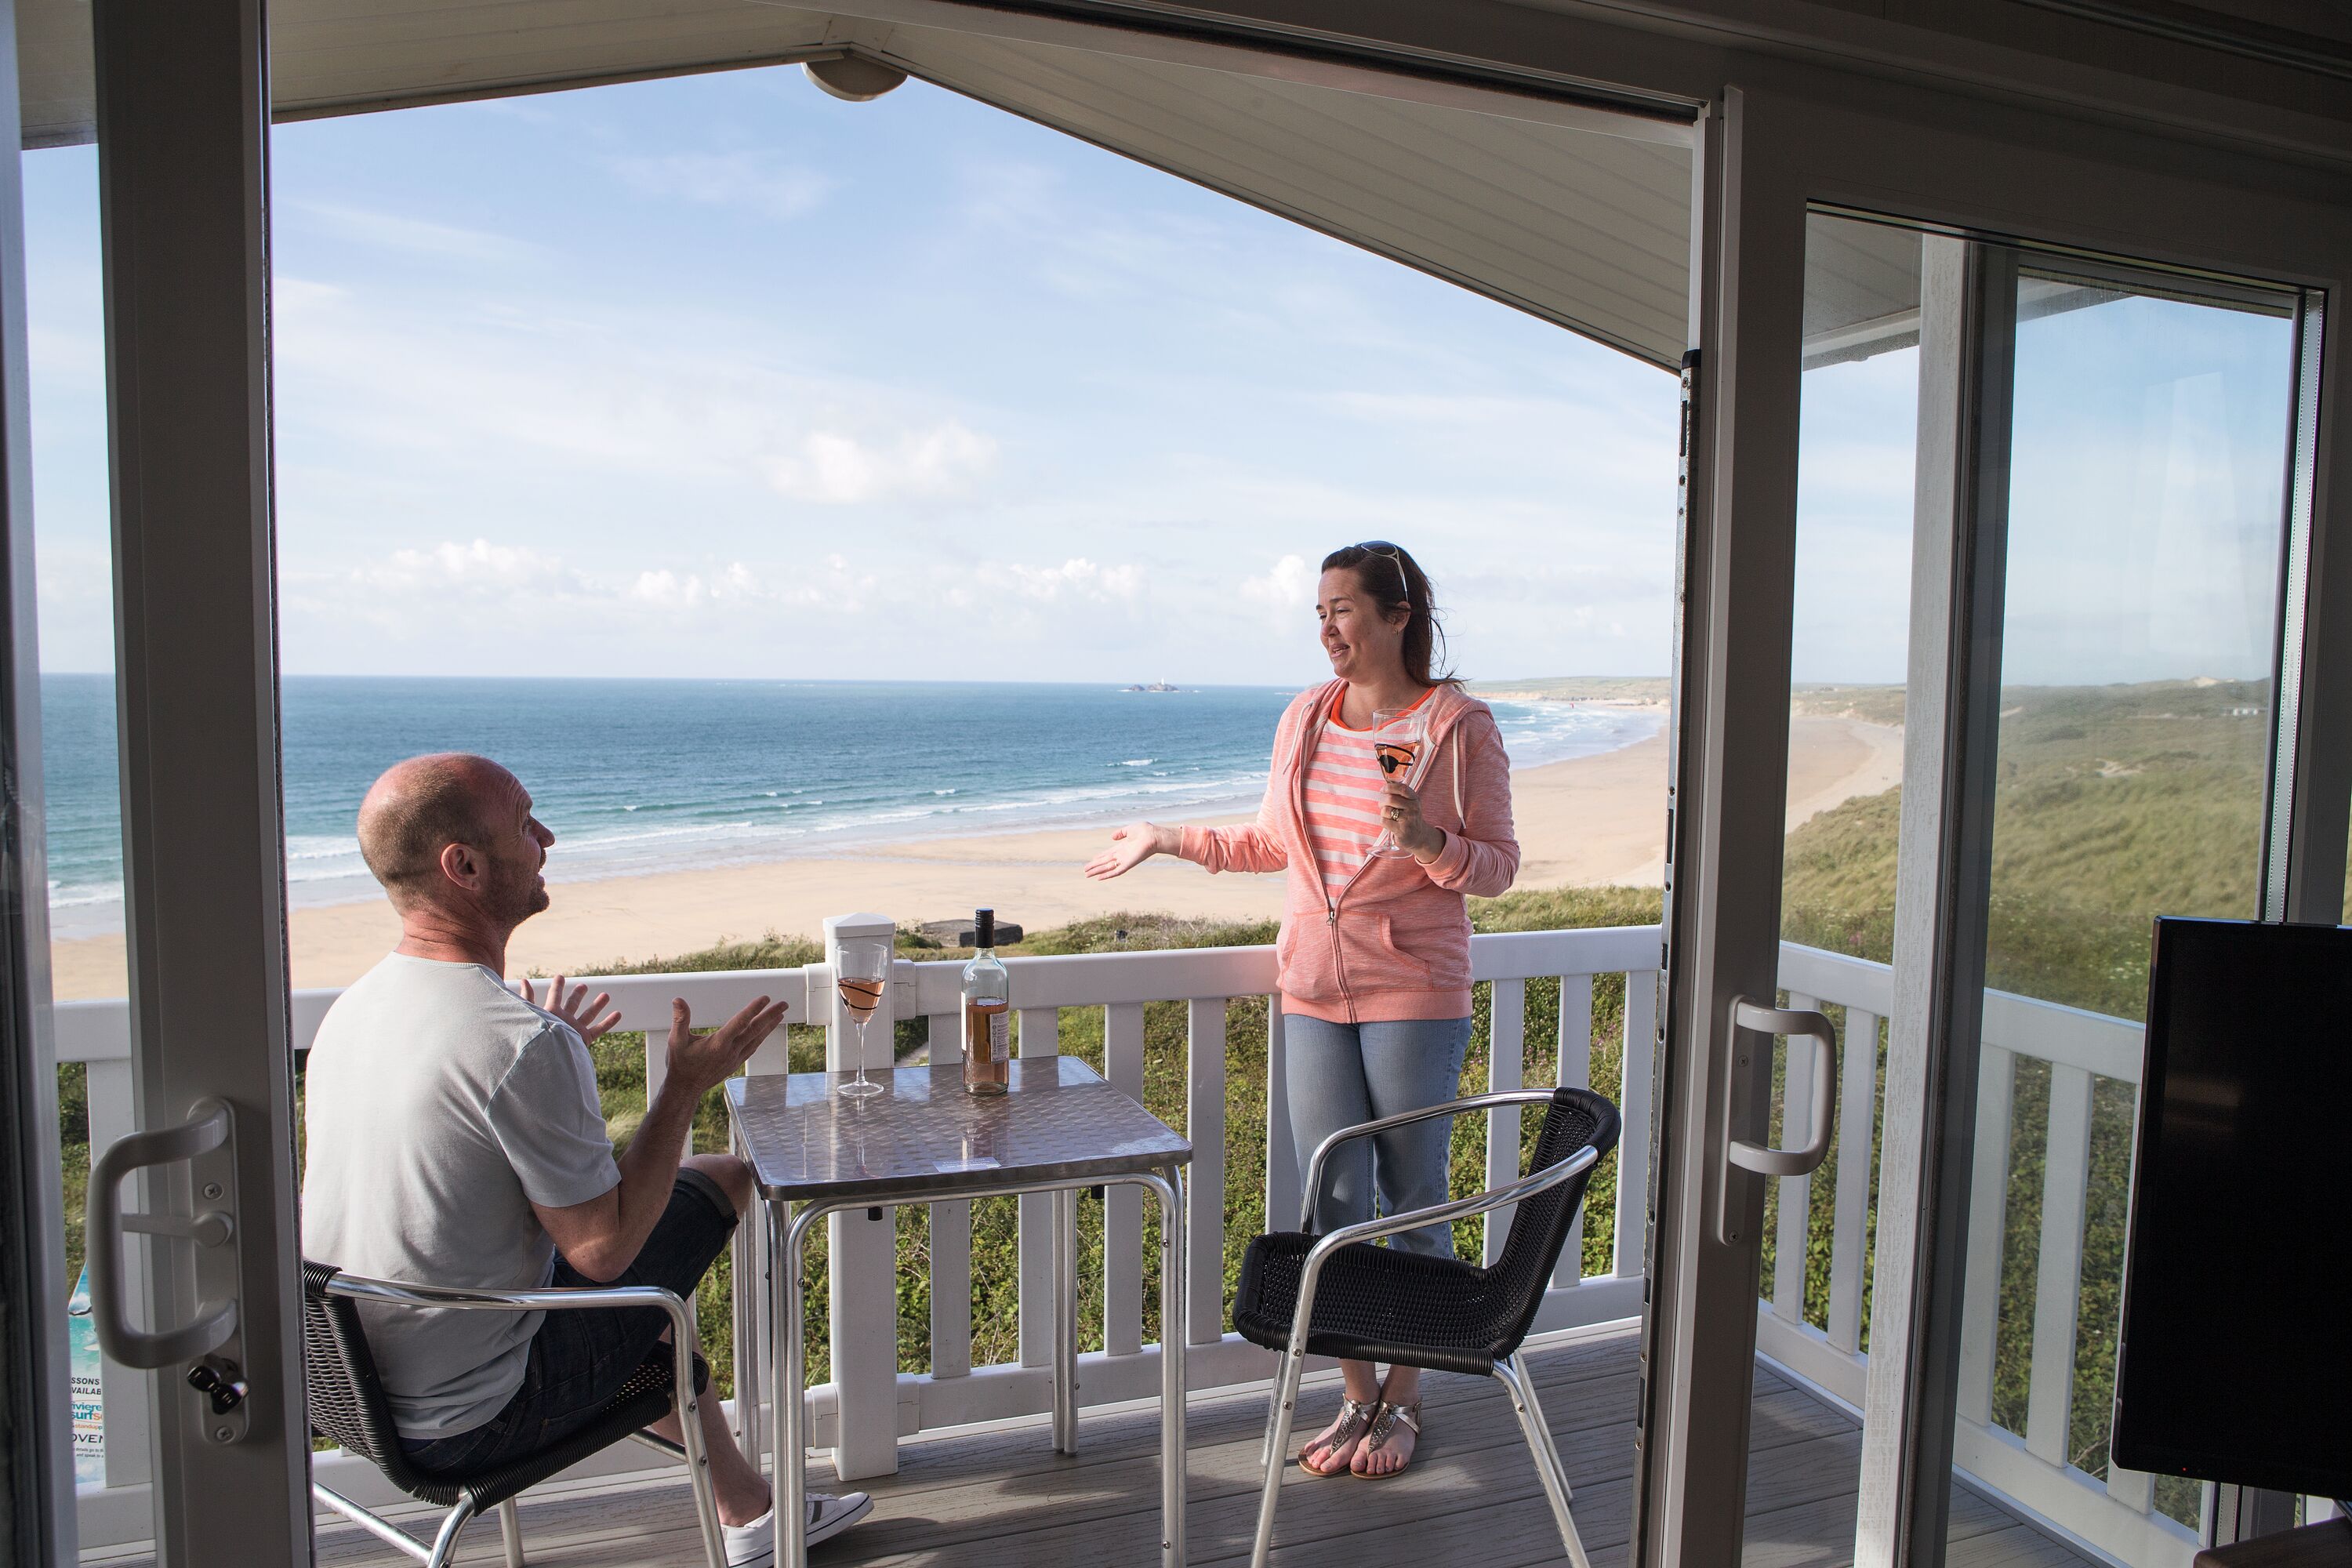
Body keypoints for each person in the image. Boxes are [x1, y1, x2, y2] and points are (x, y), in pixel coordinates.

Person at [303, 753, 871, 1564]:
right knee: (719, 1188)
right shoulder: (516, 1042)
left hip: (347, 1384)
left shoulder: (357, 1009)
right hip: (468, 1421)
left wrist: (545, 1052)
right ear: (461, 864)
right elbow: (603, 1253)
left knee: (642, 1314)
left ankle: (748, 1507)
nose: (547, 838)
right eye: (525, 822)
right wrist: (684, 1085)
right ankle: (754, 1516)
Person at [1085, 541, 1519, 1479]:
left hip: (1414, 990)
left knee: (1413, 1200)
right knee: (1332, 1198)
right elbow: (1269, 840)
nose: (1326, 629)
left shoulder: (1460, 726)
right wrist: (1167, 836)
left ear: (1398, 615)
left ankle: (1406, 1398)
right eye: (1318, 614)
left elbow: (1497, 864)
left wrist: (1428, 838)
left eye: (1344, 610)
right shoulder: (1306, 718)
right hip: (1313, 990)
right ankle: (1355, 1393)